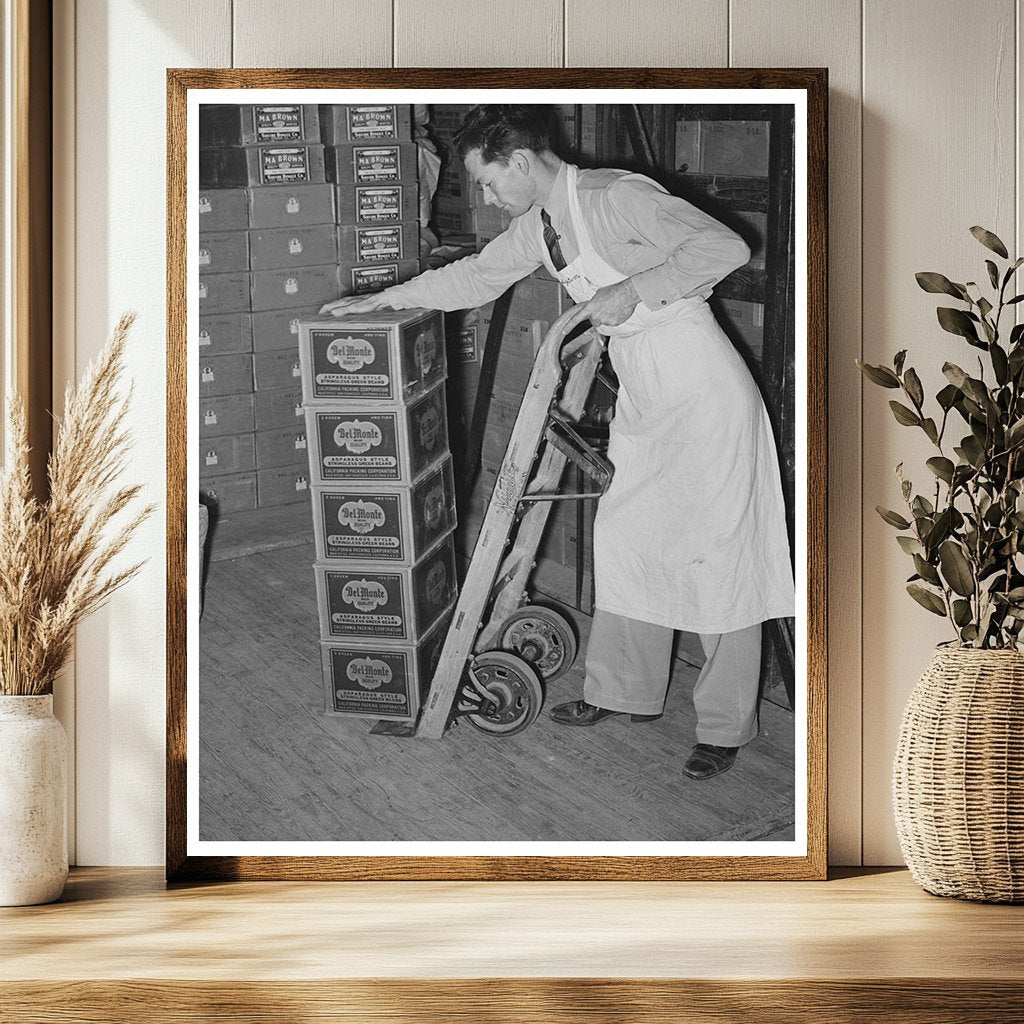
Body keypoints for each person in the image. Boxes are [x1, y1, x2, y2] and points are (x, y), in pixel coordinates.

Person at [321, 105, 793, 780]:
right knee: (628, 537)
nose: (485, 197)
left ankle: (723, 726)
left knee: (718, 557)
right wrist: (381, 301)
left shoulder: (617, 197)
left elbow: (724, 248)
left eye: (488, 183)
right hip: (646, 395)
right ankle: (623, 693)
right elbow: (473, 277)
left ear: (520, 162)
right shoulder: (539, 228)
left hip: (706, 394)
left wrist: (635, 289)